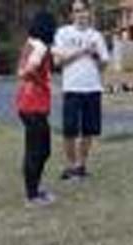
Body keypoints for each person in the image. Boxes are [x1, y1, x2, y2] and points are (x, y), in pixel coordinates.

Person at [53, 0, 110, 180]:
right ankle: (70, 166)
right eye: (77, 11)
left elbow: (103, 64)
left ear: (89, 12)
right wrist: (82, 50)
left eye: (84, 10)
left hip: (92, 88)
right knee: (69, 130)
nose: (81, 14)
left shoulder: (97, 36)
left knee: (88, 131)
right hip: (72, 88)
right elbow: (58, 61)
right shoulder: (63, 33)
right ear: (72, 14)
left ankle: (81, 165)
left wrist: (95, 55)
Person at [15, 11, 57, 207]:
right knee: (37, 150)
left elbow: (22, 69)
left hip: (28, 104)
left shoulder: (30, 43)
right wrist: (37, 78)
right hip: (33, 105)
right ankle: (32, 196)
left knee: (41, 150)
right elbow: (28, 69)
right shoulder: (39, 46)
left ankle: (35, 191)